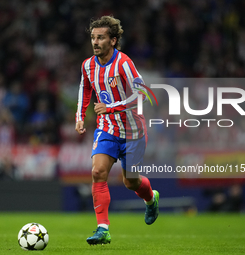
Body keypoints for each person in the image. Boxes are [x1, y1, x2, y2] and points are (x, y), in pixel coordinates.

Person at [75, 16, 159, 245]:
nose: (95, 42)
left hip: (133, 130)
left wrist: (111, 106)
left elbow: (143, 94)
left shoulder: (124, 63)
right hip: (107, 128)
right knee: (97, 172)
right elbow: (85, 90)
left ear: (113, 40)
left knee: (130, 181)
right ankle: (103, 229)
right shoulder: (88, 65)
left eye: (100, 37)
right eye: (93, 37)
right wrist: (80, 117)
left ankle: (151, 199)